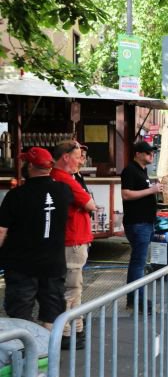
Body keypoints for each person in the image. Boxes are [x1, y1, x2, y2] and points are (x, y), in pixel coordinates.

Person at [0, 147, 72, 330]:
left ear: (30, 166)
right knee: (52, 312)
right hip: (53, 263)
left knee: (20, 314)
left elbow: (1, 231)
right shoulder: (64, 191)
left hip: (21, 265)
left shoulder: (16, 195)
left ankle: (25, 354)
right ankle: (49, 355)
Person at [51, 140, 97, 350]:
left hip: (69, 239)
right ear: (66, 157)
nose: (81, 161)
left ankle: (75, 328)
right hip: (73, 239)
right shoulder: (65, 180)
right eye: (78, 157)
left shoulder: (59, 178)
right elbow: (90, 204)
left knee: (71, 287)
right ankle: (68, 332)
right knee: (72, 288)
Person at [120, 141, 163, 311]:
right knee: (138, 263)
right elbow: (126, 194)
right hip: (137, 222)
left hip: (144, 221)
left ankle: (134, 299)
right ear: (138, 153)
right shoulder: (130, 170)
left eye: (152, 153)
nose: (151, 156)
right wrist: (151, 190)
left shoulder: (142, 171)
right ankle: (138, 301)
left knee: (138, 262)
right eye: (147, 153)